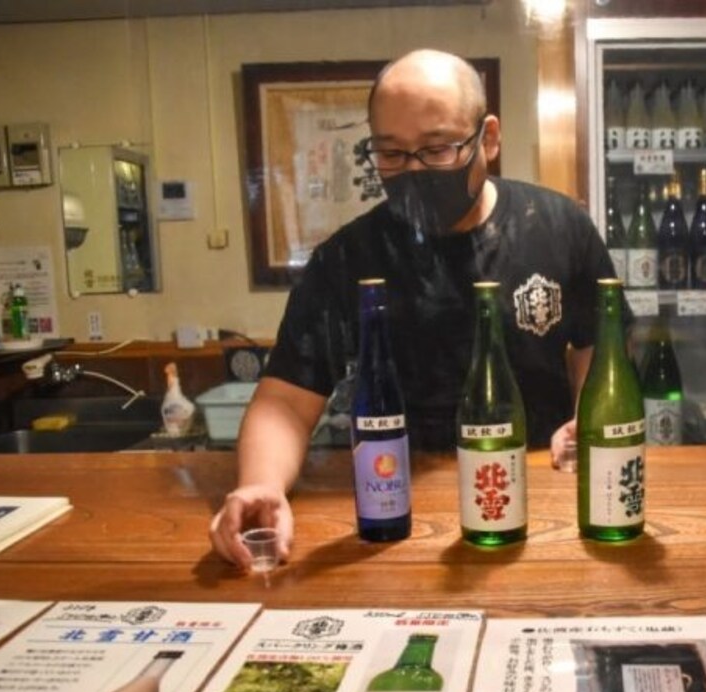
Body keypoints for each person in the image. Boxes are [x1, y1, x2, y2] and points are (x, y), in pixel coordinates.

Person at [210, 49, 621, 569]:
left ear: (487, 139)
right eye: (391, 153)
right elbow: (287, 401)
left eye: (436, 149)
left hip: (536, 495)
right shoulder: (348, 258)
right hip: (392, 509)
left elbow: (597, 347)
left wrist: (587, 424)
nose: (413, 170)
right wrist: (260, 485)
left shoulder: (558, 227)